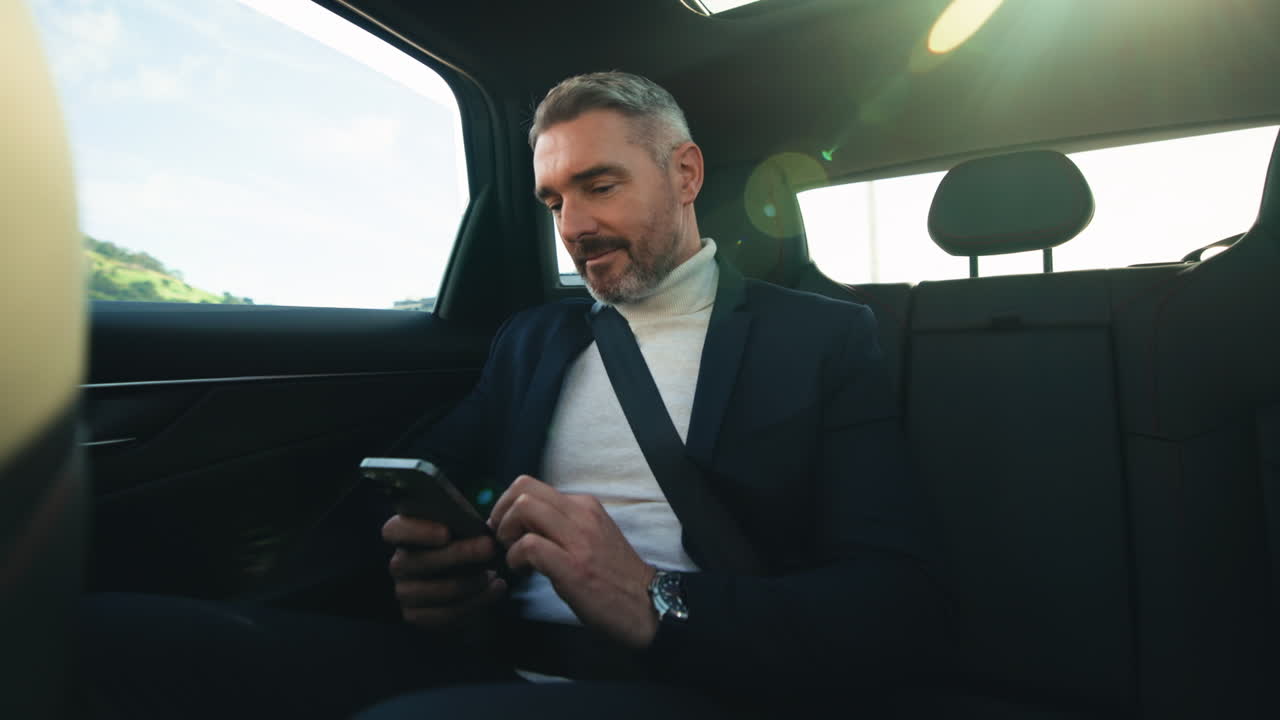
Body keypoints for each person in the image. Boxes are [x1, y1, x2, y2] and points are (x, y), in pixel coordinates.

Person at [79, 72, 945, 719]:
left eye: (600, 185)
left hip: (696, 682)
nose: (572, 227)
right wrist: (431, 574)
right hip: (481, 665)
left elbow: (890, 607)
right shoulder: (534, 340)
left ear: (685, 173)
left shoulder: (824, 338)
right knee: (99, 637)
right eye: (553, 200)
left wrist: (656, 598)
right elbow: (453, 496)